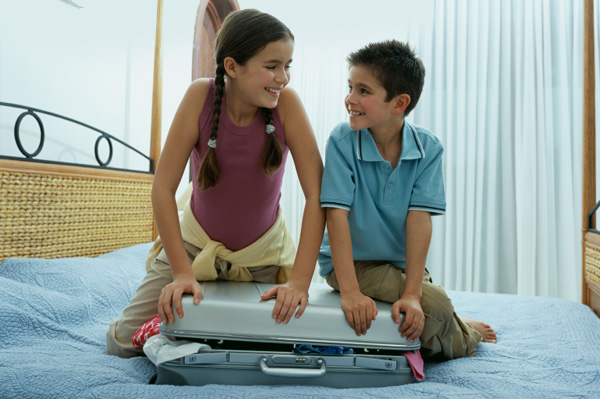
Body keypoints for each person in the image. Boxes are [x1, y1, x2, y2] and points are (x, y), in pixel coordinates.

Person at [106, 9, 325, 358]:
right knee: (120, 344)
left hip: (264, 256)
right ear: (232, 67)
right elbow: (162, 189)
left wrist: (298, 282)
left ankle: (196, 337)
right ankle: (169, 336)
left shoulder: (288, 105)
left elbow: (317, 196)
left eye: (288, 66)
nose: (283, 77)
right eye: (272, 66)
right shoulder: (200, 97)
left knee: (276, 346)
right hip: (194, 248)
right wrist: (180, 273)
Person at [318, 40, 496, 360]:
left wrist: (413, 294)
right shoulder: (341, 141)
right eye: (350, 87)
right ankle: (464, 333)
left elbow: (419, 219)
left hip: (398, 264)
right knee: (438, 305)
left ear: (399, 103)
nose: (350, 99)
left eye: (363, 91)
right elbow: (336, 216)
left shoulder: (428, 146)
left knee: (427, 303)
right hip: (353, 266)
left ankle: (449, 321)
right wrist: (350, 292)